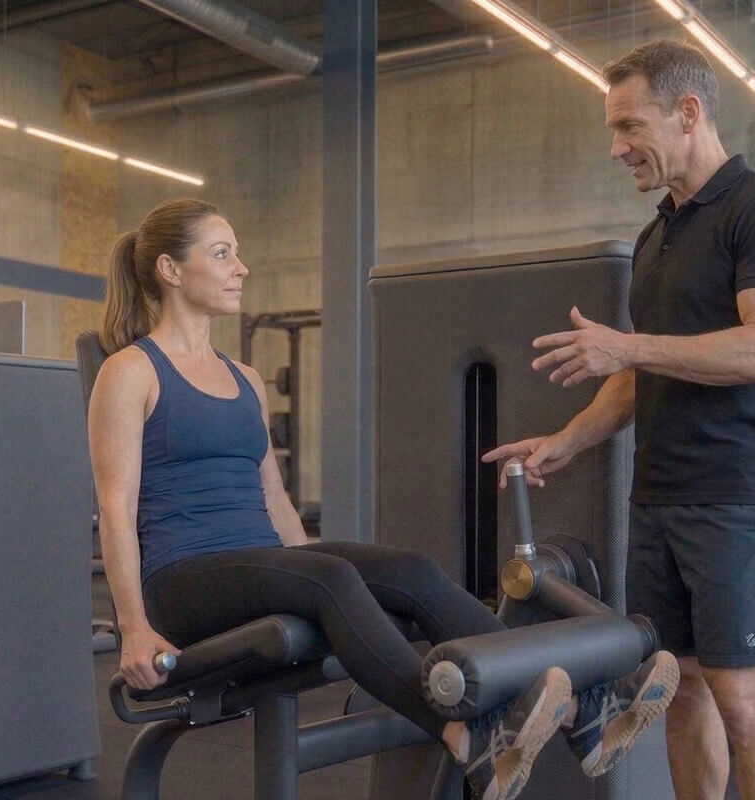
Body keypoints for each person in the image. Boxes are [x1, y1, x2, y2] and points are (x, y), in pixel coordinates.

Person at [87, 198, 679, 800]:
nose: (241, 267)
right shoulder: (133, 372)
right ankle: (465, 735)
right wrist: (133, 627)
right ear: (170, 269)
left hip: (255, 566)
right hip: (182, 580)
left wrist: (302, 565)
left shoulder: (245, 378)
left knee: (410, 570)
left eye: (237, 253)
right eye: (221, 254)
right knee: (331, 580)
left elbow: (273, 495)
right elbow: (115, 506)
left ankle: (583, 710)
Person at [484, 40, 755, 800]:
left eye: (630, 126)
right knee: (680, 684)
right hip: (660, 495)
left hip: (735, 496)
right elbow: (644, 370)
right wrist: (567, 440)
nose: (617, 148)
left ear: (688, 113)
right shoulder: (657, 234)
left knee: (743, 699)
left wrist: (624, 345)